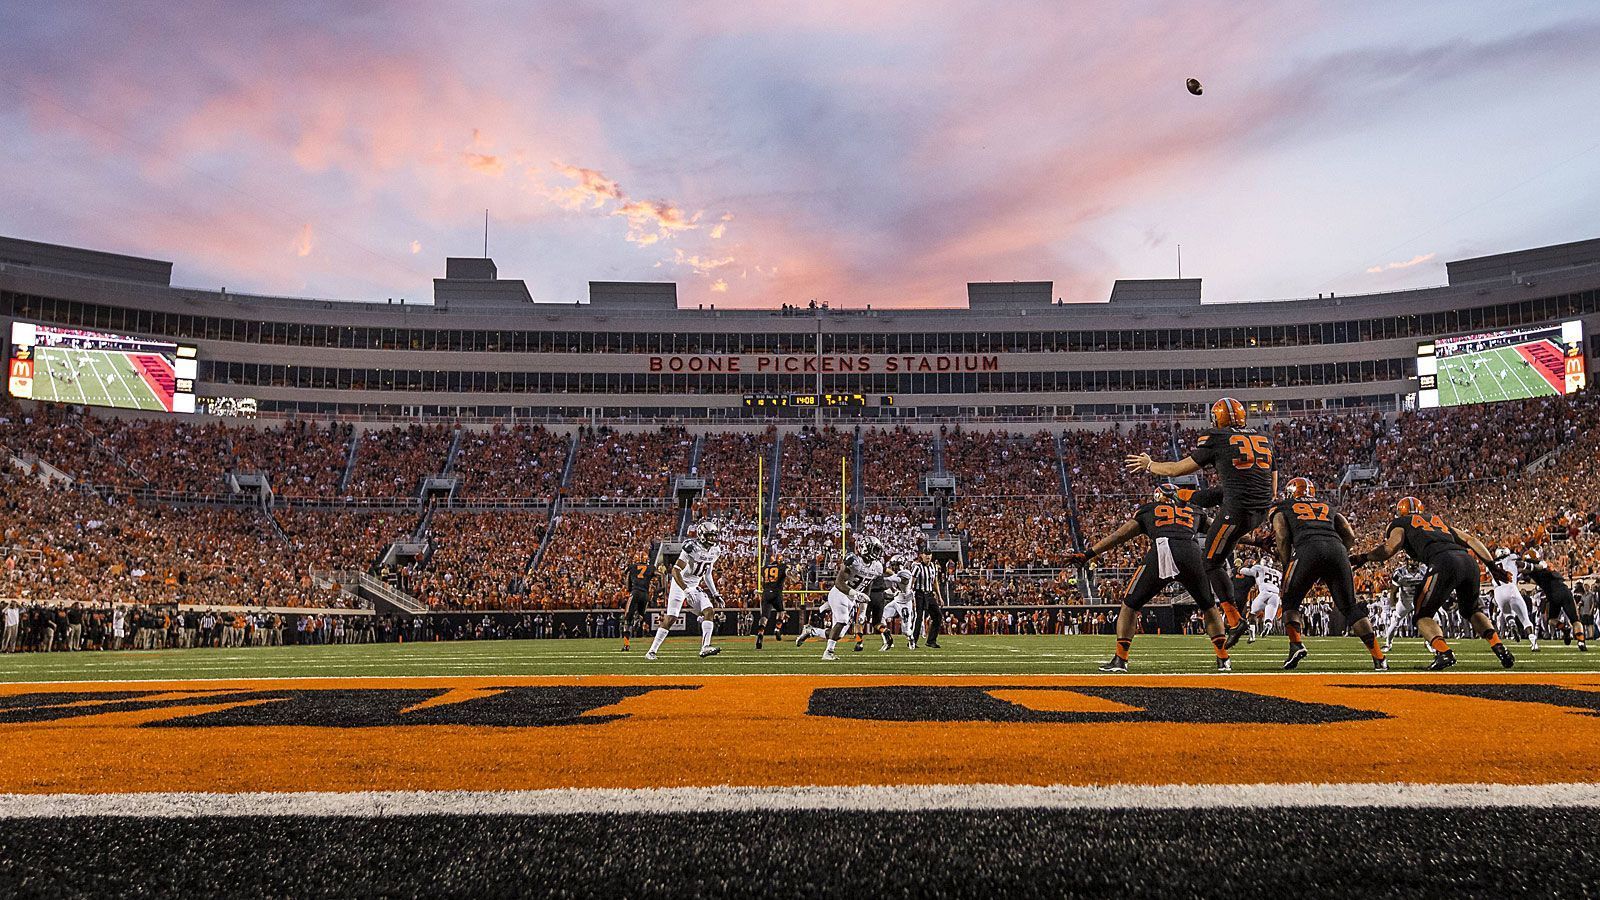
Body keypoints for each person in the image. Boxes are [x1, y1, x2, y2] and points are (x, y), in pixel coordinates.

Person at [1125, 397, 1277, 646]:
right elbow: (1272, 481)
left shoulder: (1215, 437)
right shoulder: (1264, 439)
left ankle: (1235, 621)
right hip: (1259, 508)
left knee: (1211, 562)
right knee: (1212, 500)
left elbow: (1175, 470)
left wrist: (1150, 465)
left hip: (1237, 509)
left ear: (1218, 419)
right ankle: (1185, 497)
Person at [1069, 483, 1232, 673]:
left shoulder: (1149, 509)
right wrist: (1255, 541)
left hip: (1163, 549)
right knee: (1208, 606)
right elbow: (1222, 530)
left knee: (1130, 605)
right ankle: (1223, 659)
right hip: (1192, 552)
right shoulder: (1194, 510)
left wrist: (1088, 554)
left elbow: (1119, 535)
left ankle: (1120, 660)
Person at [1352, 496, 1514, 671]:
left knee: (1422, 615)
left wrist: (1365, 557)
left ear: (1401, 512)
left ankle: (1444, 652)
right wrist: (1491, 565)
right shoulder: (1437, 522)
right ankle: (1499, 647)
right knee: (1472, 610)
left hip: (1443, 561)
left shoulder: (1400, 523)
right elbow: (1471, 540)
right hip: (1468, 562)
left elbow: (1390, 548)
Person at [1270, 477, 1386, 671]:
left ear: (1290, 492)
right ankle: (1379, 658)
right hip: (1337, 549)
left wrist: (1286, 563)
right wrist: (1338, 555)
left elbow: (1281, 534)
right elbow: (1350, 535)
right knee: (1350, 608)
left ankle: (1296, 645)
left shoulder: (1283, 506)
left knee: (1290, 602)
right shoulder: (1327, 506)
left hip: (1306, 549)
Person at [646, 521, 725, 661]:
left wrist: (715, 593)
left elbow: (707, 574)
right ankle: (651, 651)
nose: (713, 538)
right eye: (710, 535)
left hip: (694, 586)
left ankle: (705, 647)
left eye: (714, 535)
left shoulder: (715, 551)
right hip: (680, 583)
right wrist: (685, 589)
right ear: (701, 535)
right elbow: (676, 571)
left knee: (709, 611)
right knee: (671, 617)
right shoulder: (691, 547)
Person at [821, 534, 885, 661]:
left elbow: (867, 584)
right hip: (840, 592)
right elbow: (839, 583)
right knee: (842, 620)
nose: (877, 553)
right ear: (866, 548)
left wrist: (863, 608)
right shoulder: (853, 561)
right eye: (875, 549)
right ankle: (828, 652)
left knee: (839, 633)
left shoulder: (877, 567)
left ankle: (811, 631)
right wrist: (855, 594)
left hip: (851, 598)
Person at [1521, 548, 1586, 651]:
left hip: (1554, 594)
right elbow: (1532, 577)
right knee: (1571, 620)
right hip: (1562, 592)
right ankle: (1579, 641)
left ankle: (1566, 630)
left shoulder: (1540, 566)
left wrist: (1521, 566)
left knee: (1555, 620)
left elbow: (1534, 569)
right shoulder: (1539, 568)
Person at [1489, 548, 1538, 650]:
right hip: (1511, 588)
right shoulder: (1512, 558)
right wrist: (1536, 566)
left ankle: (1511, 624)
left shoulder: (1491, 564)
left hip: (1498, 592)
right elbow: (1524, 565)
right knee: (1525, 619)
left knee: (1507, 613)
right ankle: (1533, 643)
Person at [1382, 561, 1427, 652]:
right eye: (1411, 560)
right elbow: (1393, 592)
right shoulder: (1400, 573)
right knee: (1395, 622)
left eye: (1415, 560)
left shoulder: (1424, 570)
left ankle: (1429, 642)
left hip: (1419, 600)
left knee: (1432, 620)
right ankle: (1388, 644)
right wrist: (1393, 607)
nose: (1413, 563)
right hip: (1405, 601)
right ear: (1406, 562)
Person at [1239, 556, 1281, 644]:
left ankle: (1252, 636)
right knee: (1269, 617)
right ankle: (1268, 624)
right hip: (1275, 595)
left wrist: (1246, 565)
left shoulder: (1259, 568)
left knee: (1252, 614)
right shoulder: (1278, 573)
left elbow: (1242, 571)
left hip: (1264, 592)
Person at [621, 557, 658, 652]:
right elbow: (661, 575)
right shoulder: (651, 567)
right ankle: (638, 619)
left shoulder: (632, 567)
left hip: (635, 592)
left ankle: (626, 644)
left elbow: (627, 576)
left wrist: (629, 588)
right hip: (645, 594)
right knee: (642, 614)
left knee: (627, 618)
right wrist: (660, 589)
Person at [755, 548, 787, 650]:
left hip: (766, 593)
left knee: (764, 617)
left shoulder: (764, 568)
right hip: (776, 593)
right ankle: (777, 629)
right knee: (781, 611)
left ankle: (760, 634)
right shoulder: (782, 566)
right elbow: (788, 573)